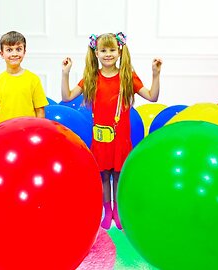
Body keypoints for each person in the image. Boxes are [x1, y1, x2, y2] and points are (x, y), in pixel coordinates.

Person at [61, 32, 162, 230]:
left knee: (118, 176)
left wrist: (156, 75)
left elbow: (152, 97)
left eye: (112, 50)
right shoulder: (91, 77)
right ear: (96, 53)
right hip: (101, 138)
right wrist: (65, 73)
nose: (108, 54)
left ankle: (118, 212)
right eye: (103, 50)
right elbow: (67, 97)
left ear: (120, 51)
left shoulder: (127, 77)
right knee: (104, 176)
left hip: (121, 139)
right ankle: (107, 211)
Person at [0, 31, 48, 128]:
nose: (14, 54)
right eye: (9, 50)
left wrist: (39, 130)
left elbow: (40, 110)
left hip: (28, 131)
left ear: (24, 52)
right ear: (2, 53)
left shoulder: (33, 79)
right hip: (5, 133)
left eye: (18, 49)